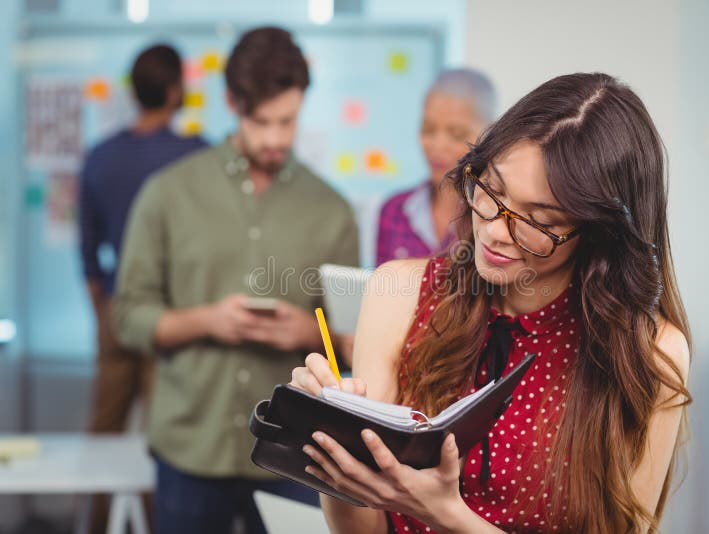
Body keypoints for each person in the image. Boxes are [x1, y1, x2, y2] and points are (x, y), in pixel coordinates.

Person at [289, 73, 692, 533]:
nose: (497, 231)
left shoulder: (652, 353)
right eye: (492, 191)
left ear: (600, 236)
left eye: (539, 221)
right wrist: (329, 445)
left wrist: (447, 515)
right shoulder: (397, 294)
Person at [113, 27, 359, 534]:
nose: (275, 139)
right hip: (189, 449)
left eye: (287, 121)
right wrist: (207, 320)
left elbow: (356, 344)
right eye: (261, 121)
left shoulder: (332, 211)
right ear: (231, 103)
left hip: (295, 453)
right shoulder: (168, 193)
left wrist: (308, 334)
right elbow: (127, 316)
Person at [78, 43, 206, 534]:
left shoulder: (100, 156)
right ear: (176, 90)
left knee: (102, 430)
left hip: (117, 307)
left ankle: (93, 524)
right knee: (168, 435)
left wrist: (105, 310)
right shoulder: (195, 155)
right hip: (175, 317)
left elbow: (88, 251)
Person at [375, 68, 496, 265]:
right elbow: (378, 288)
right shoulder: (394, 211)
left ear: (488, 135)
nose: (437, 147)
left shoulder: (494, 217)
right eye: (428, 130)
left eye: (456, 134)